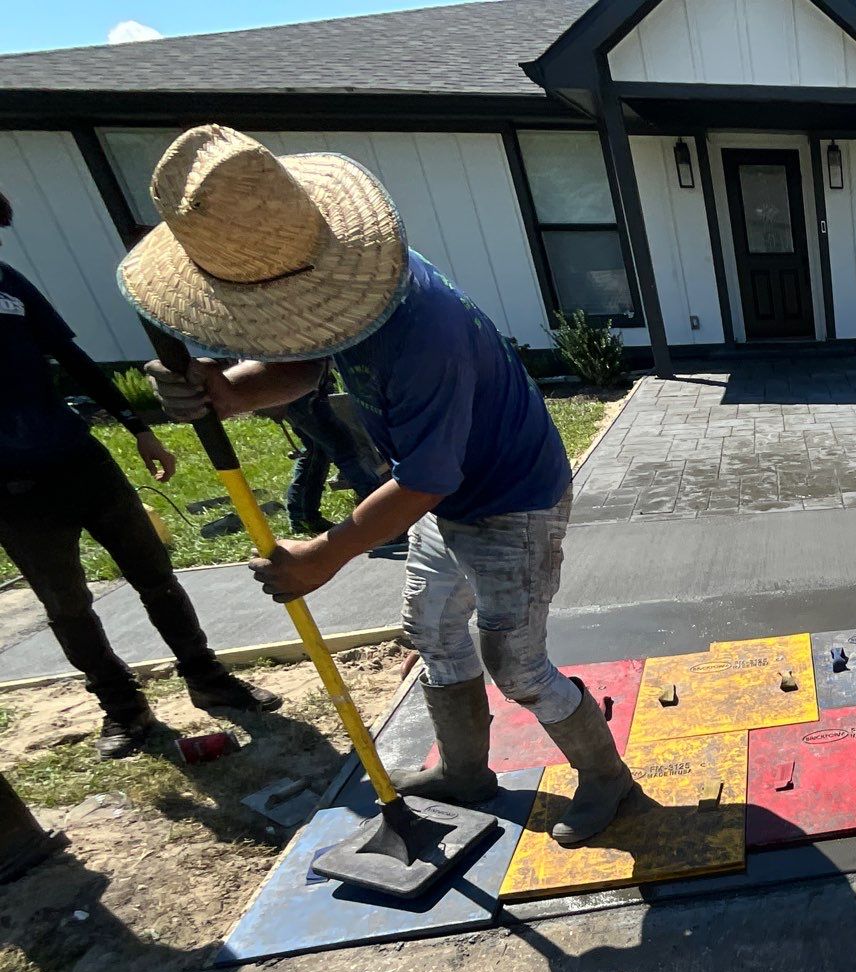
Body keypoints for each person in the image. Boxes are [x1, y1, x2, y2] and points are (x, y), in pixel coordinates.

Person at [129, 125, 630, 845]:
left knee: (515, 663)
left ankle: (607, 777)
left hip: (511, 501)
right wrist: (232, 391)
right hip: (444, 493)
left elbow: (425, 481)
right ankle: (466, 773)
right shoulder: (344, 288)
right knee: (432, 630)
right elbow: (309, 358)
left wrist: (326, 554)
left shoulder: (425, 333)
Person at [0, 190, 279, 759]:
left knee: (155, 574)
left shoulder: (9, 286)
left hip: (80, 461)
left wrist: (136, 427)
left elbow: (73, 361)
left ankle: (205, 676)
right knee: (66, 604)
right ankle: (123, 709)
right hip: (13, 492)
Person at [278, 363, 383, 535]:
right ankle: (381, 515)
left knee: (316, 450)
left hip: (295, 388)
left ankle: (303, 516)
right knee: (345, 450)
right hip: (298, 388)